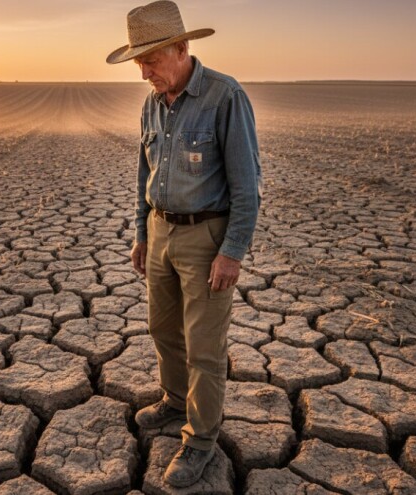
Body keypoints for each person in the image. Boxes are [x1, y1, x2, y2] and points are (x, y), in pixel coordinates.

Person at [106, 0, 262, 488]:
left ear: (181, 47)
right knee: (162, 328)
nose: (144, 72)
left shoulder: (224, 97)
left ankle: (199, 441)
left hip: (206, 238)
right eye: (139, 63)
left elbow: (247, 185)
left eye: (151, 60)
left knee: (204, 347)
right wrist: (141, 230)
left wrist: (232, 251)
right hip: (160, 232)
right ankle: (175, 403)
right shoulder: (153, 104)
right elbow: (143, 175)